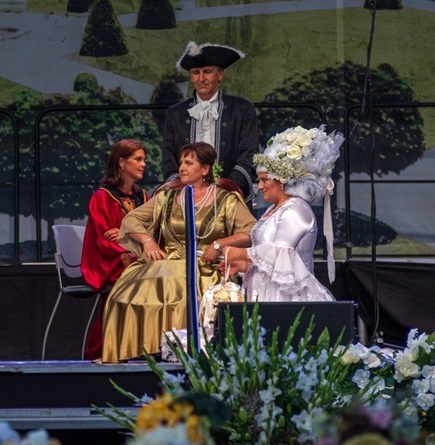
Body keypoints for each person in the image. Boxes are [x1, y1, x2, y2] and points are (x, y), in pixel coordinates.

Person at [102, 142, 256, 363]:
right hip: (166, 263)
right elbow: (132, 219)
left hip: (205, 267)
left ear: (205, 169)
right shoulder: (166, 197)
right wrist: (148, 241)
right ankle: (145, 350)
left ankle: (187, 353)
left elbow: (251, 230)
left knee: (186, 294)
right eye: (181, 162)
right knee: (125, 293)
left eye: (189, 163)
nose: (182, 167)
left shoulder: (226, 200)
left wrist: (219, 244)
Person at [219, 125, 344, 302]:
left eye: (264, 180)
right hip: (265, 293)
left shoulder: (296, 209)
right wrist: (244, 265)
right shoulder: (272, 210)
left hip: (287, 297)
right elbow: (270, 263)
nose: (259, 187)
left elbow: (281, 252)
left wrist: (240, 253)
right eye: (259, 181)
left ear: (282, 180)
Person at [162, 41, 259, 202]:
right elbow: (169, 159)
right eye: (195, 72)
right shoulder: (175, 113)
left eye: (207, 72)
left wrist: (224, 189)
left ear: (220, 75)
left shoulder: (242, 109)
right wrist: (183, 192)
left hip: (230, 198)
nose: (201, 78)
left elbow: (249, 155)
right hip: (187, 199)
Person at [80, 139, 149, 360]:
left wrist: (124, 235)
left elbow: (151, 232)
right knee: (135, 278)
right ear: (121, 162)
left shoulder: (143, 197)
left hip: (138, 257)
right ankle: (109, 347)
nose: (143, 164)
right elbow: (103, 240)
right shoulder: (101, 197)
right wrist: (130, 248)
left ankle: (147, 345)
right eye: (138, 159)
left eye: (144, 159)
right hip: (110, 261)